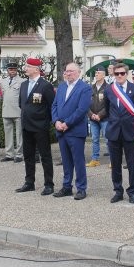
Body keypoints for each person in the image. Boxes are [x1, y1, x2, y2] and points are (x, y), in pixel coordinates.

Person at [104, 62, 134, 204]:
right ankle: (118, 191)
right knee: (115, 164)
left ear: (126, 74)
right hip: (114, 132)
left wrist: (130, 124)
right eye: (117, 74)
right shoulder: (109, 90)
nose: (120, 76)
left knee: (132, 164)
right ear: (113, 75)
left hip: (130, 132)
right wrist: (115, 121)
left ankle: (132, 191)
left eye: (122, 73)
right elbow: (107, 109)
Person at [51, 62, 92, 200]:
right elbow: (55, 105)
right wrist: (56, 121)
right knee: (66, 161)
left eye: (71, 71)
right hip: (61, 130)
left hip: (75, 130)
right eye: (67, 71)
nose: (68, 73)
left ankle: (81, 188)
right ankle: (67, 186)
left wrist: (67, 123)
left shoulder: (85, 88)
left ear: (78, 72)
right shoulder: (62, 87)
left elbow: (81, 110)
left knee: (78, 160)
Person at [15, 58, 55, 195]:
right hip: (26, 126)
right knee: (28, 156)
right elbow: (22, 104)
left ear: (36, 69)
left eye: (28, 66)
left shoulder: (45, 85)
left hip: (40, 126)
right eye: (26, 66)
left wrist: (46, 122)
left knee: (45, 156)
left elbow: (52, 106)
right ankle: (29, 182)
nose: (25, 68)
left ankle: (49, 184)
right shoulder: (24, 85)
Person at [0, 62, 25, 162]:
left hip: (17, 111)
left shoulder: (23, 81)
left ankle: (19, 155)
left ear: (17, 70)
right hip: (6, 110)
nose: (12, 71)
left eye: (14, 69)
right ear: (7, 70)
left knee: (19, 135)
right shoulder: (2, 82)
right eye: (10, 69)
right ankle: (9, 154)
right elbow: (0, 96)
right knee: (7, 134)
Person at [87, 66, 108, 167]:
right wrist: (92, 115)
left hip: (104, 119)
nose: (96, 75)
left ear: (104, 75)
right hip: (93, 118)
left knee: (107, 139)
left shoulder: (108, 88)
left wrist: (99, 115)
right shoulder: (90, 88)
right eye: (95, 73)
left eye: (98, 73)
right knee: (95, 139)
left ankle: (113, 160)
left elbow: (109, 105)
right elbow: (86, 104)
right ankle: (95, 159)